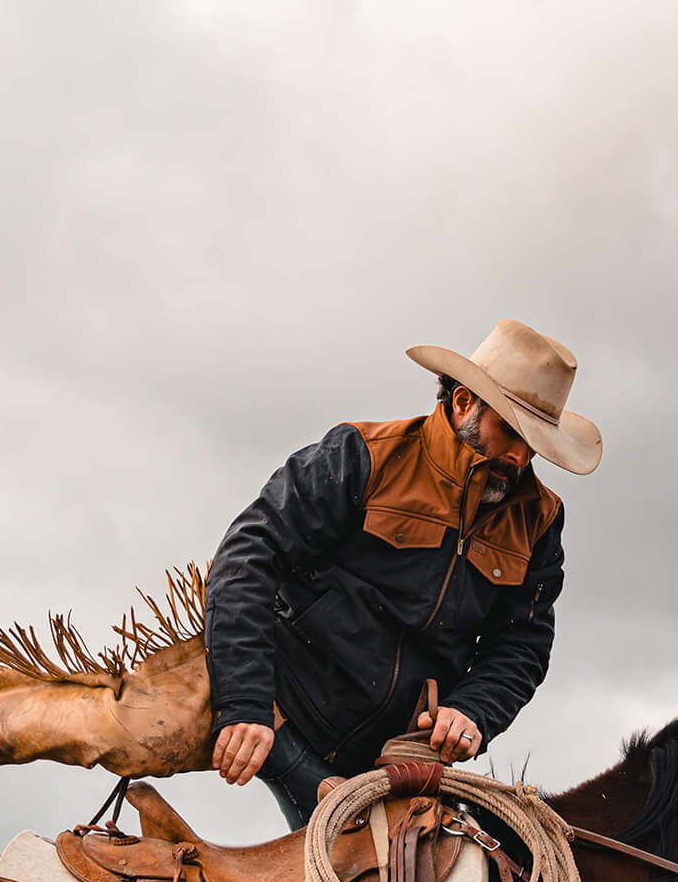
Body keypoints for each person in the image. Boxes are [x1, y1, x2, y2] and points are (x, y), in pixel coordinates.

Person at [203, 318, 601, 827]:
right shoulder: (360, 456)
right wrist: (245, 704)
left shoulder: (540, 519)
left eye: (535, 444)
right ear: (462, 404)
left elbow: (522, 643)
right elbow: (248, 557)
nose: (521, 456)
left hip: (394, 760)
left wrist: (473, 711)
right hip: (282, 718)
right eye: (511, 432)